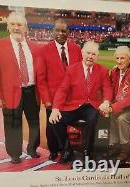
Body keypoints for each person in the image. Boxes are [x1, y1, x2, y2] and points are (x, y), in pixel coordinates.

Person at [0, 12, 41, 164]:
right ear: (8, 26)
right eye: (13, 24)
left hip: (32, 91)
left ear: (26, 28)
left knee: (34, 122)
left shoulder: (35, 48)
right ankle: (14, 153)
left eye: (20, 25)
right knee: (12, 123)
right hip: (10, 93)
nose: (16, 28)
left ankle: (32, 148)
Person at [49, 41, 112, 163]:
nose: (90, 56)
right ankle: (66, 150)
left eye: (93, 54)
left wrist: (106, 101)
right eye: (88, 53)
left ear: (97, 56)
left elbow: (107, 88)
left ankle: (87, 152)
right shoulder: (72, 69)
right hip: (74, 105)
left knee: (93, 120)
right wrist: (56, 108)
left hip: (91, 105)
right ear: (82, 53)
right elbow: (62, 89)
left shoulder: (102, 70)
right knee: (55, 121)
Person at [36, 18, 82, 161]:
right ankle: (54, 151)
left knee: (66, 123)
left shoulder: (76, 48)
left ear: (68, 32)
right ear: (53, 31)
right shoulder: (44, 50)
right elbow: (41, 79)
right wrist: (47, 100)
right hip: (53, 97)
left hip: (73, 97)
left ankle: (66, 150)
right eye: (58, 30)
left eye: (64, 30)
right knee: (52, 125)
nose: (61, 33)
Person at [102, 46, 130, 163]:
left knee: (122, 119)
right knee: (111, 116)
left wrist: (113, 108)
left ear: (129, 58)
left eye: (122, 58)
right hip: (121, 104)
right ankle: (115, 145)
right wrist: (108, 104)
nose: (119, 61)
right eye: (117, 58)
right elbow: (111, 90)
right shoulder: (115, 71)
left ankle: (125, 149)